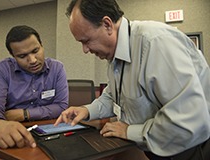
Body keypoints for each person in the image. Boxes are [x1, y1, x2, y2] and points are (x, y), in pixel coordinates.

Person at [55, 0, 210, 159]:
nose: (85, 50)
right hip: (157, 148)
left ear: (107, 25)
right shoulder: (116, 54)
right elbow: (114, 95)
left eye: (86, 41)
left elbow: (187, 120)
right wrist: (87, 110)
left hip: (191, 149)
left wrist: (129, 131)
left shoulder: (155, 42)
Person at [0, 25, 68, 149]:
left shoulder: (57, 68)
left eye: (35, 51)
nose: (32, 60)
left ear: (42, 45)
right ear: (12, 55)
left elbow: (61, 106)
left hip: (49, 131)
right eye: (22, 56)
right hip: (12, 132)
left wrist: (25, 114)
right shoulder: (1, 70)